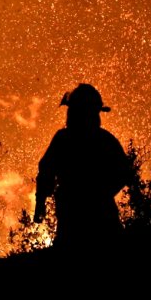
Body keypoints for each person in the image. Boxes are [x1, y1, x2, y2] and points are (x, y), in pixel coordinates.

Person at [33, 83, 131, 248]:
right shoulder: (103, 139)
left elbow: (46, 171)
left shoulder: (64, 139)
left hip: (78, 211)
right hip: (89, 212)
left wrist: (41, 203)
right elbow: (46, 171)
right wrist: (104, 192)